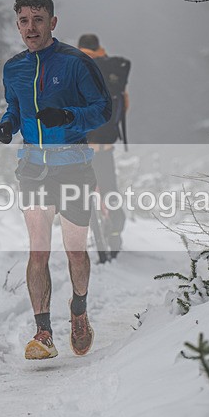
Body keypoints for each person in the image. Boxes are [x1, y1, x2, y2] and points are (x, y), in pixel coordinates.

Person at [0, 0, 112, 360]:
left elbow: (103, 109)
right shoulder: (13, 68)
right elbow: (13, 107)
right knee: (38, 251)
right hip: (32, 169)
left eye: (38, 20)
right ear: (18, 25)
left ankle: (78, 311)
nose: (31, 28)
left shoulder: (75, 63)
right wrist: (6, 124)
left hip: (73, 167)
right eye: (24, 21)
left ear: (52, 22)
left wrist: (68, 117)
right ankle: (43, 331)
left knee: (75, 251)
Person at [78, 34, 130, 259]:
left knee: (78, 190)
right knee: (109, 189)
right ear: (98, 47)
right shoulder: (113, 71)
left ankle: (86, 234)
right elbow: (124, 106)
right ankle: (115, 229)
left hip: (82, 146)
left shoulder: (75, 66)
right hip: (106, 147)